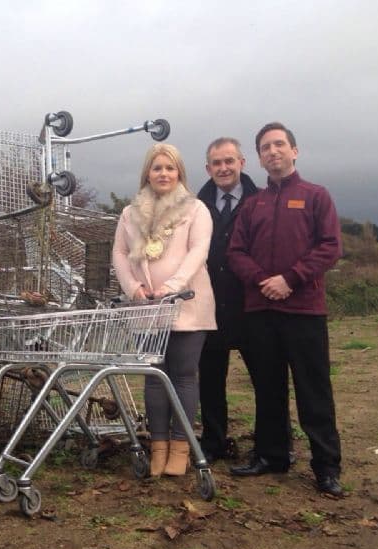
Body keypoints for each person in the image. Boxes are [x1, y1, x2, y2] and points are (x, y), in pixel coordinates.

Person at [227, 122, 343, 496]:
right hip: (261, 312)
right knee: (268, 388)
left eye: (279, 144)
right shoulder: (252, 204)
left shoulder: (316, 196)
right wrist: (264, 280)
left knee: (314, 391)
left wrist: (290, 279)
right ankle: (271, 455)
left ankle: (326, 467)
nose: (272, 151)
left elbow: (329, 247)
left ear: (295, 151)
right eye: (265, 147)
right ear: (259, 158)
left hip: (305, 312)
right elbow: (236, 253)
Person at [112, 143, 216, 477]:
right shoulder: (130, 213)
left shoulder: (196, 209)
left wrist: (173, 286)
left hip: (186, 303)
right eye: (157, 168)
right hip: (145, 307)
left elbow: (198, 250)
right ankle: (157, 446)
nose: (163, 174)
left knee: (183, 376)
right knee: (154, 379)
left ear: (179, 173)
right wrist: (134, 288)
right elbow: (119, 252)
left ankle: (181, 446)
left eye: (170, 168)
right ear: (148, 173)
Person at [196, 138, 258, 464]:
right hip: (209, 305)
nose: (223, 168)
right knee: (210, 381)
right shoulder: (196, 205)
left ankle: (272, 441)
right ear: (208, 168)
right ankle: (214, 442)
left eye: (229, 161)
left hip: (251, 306)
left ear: (242, 162)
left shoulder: (260, 201)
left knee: (265, 379)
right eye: (217, 163)